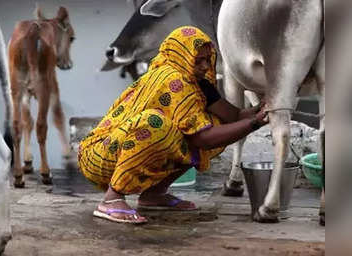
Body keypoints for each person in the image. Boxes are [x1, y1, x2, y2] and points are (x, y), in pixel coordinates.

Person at [78, 26, 269, 224]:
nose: (205, 66)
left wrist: (260, 110)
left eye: (207, 59)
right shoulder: (172, 79)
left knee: (212, 125)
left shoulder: (198, 83)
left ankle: (154, 195)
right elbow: (203, 139)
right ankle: (112, 199)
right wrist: (254, 123)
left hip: (121, 149)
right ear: (181, 55)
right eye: (198, 60)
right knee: (156, 124)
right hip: (99, 156)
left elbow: (232, 116)